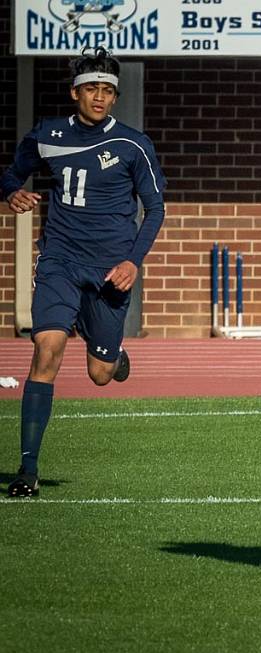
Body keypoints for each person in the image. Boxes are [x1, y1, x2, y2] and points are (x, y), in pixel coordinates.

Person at [2, 48, 166, 498]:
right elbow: (12, 177)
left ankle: (112, 356)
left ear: (115, 97)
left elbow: (154, 209)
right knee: (46, 349)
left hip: (111, 271)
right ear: (75, 92)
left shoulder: (134, 144)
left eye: (108, 91)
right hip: (59, 260)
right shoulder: (47, 135)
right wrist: (13, 193)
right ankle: (27, 472)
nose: (100, 97)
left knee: (98, 373)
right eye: (92, 88)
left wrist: (133, 261)